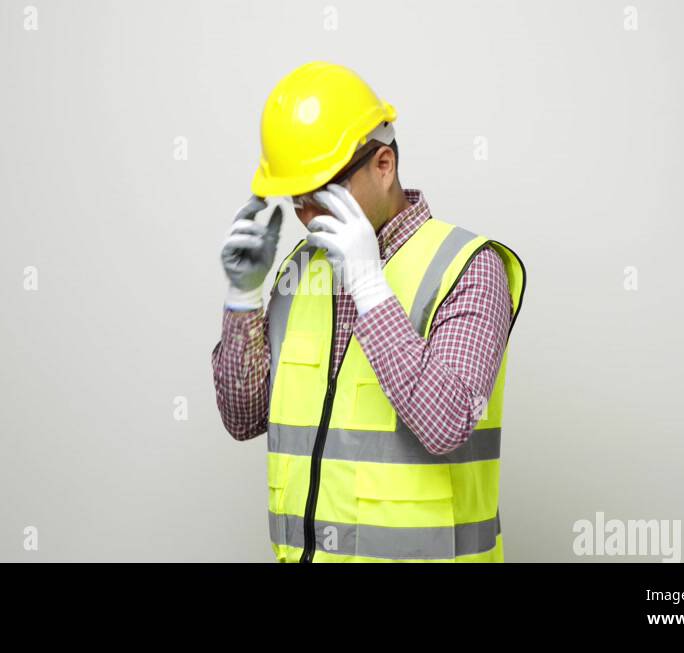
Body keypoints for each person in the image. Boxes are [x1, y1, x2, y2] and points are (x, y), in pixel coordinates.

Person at [211, 62, 526, 562]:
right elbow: (243, 417)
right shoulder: (300, 272)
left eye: (324, 193)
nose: (309, 216)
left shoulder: (469, 268)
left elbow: (445, 424)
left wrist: (370, 287)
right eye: (298, 200)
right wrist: (243, 298)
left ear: (384, 165)